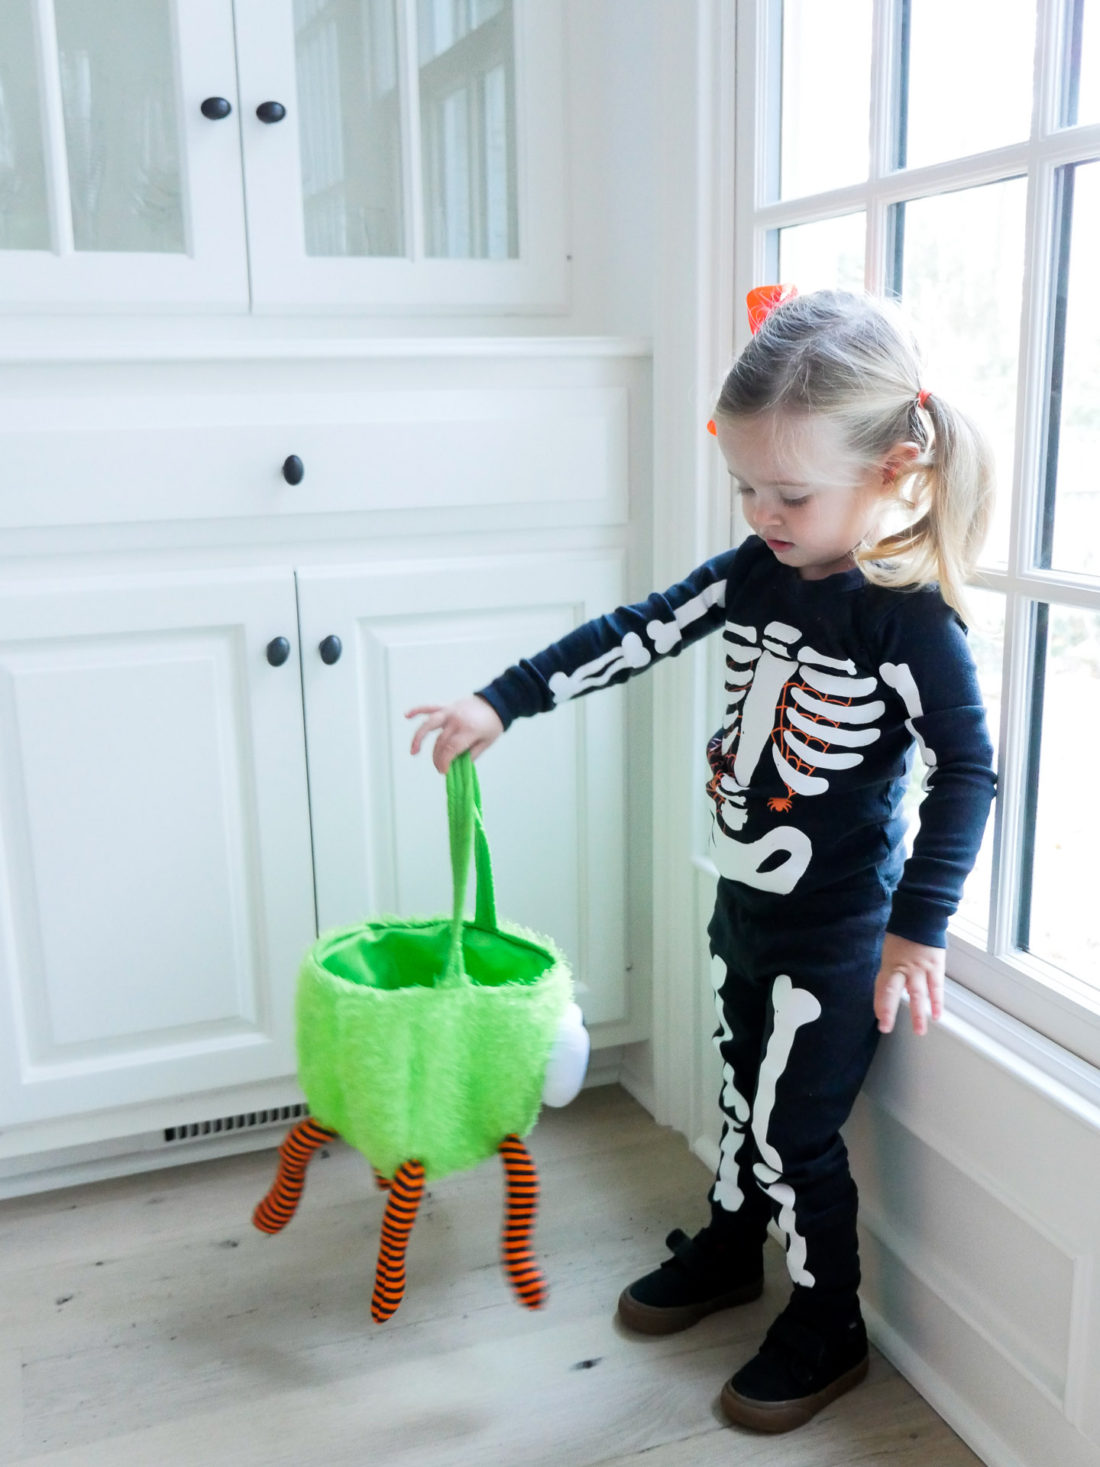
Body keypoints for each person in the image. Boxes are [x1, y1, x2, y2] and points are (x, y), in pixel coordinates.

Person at [407, 288, 997, 1435]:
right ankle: (733, 1245)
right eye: (744, 487)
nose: (761, 513)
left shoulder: (903, 618)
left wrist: (916, 928)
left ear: (892, 471)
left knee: (794, 1132)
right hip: (744, 896)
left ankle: (828, 1322)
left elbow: (966, 771)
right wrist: (503, 701)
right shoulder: (755, 570)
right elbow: (637, 629)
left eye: (788, 493)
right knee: (740, 1094)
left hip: (834, 931)